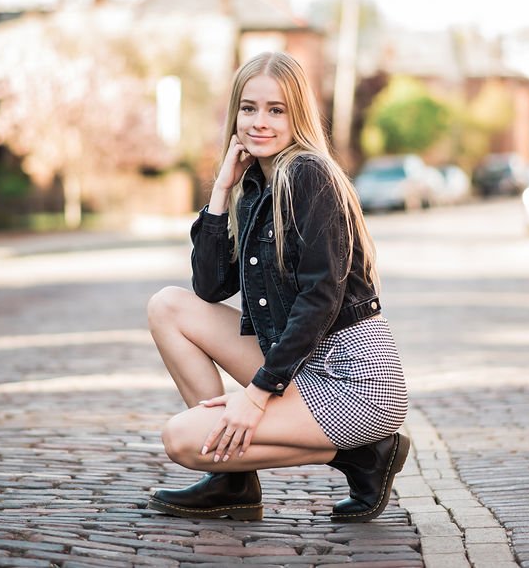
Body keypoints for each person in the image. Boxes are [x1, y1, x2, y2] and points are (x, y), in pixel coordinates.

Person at [146, 51, 409, 523]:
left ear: (298, 116)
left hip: (354, 381)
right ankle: (231, 482)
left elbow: (321, 298)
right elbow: (208, 288)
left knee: (183, 439)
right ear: (235, 114)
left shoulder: (309, 175)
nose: (259, 122)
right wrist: (221, 191)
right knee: (168, 306)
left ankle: (363, 453)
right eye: (249, 108)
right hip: (303, 364)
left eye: (276, 110)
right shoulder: (255, 187)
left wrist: (256, 395)